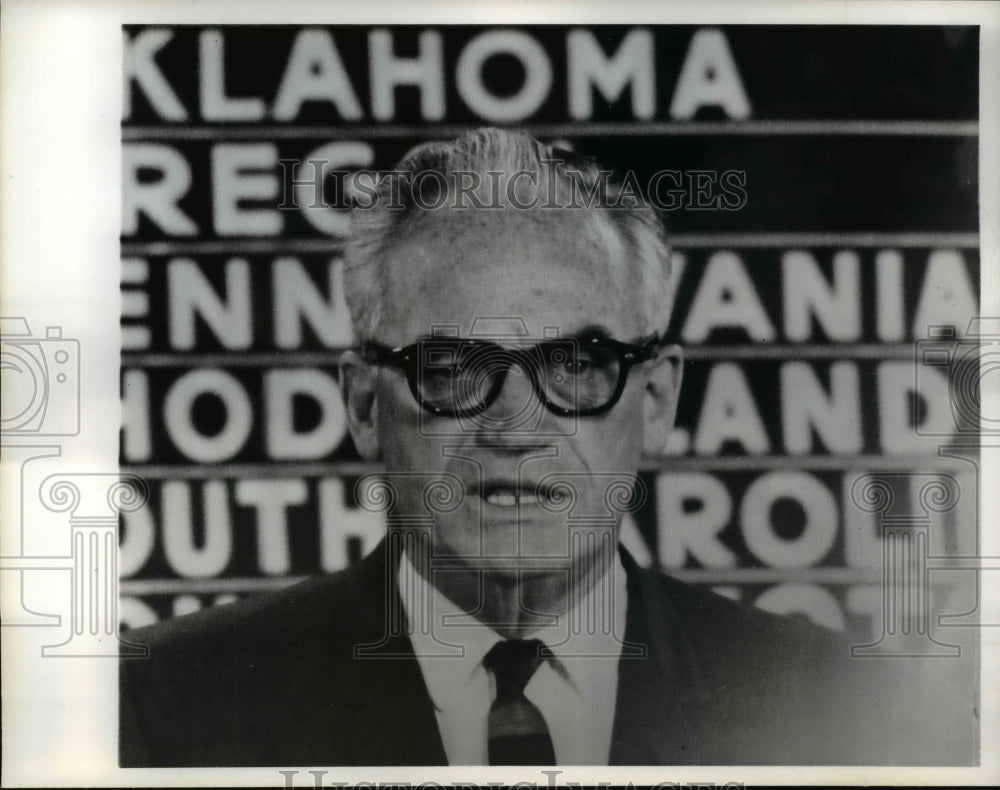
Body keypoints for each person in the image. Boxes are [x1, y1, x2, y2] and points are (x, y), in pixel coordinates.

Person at [120, 128, 972, 767]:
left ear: (656, 398)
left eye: (578, 363)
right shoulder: (159, 708)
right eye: (452, 367)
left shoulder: (866, 719)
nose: (516, 428)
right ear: (363, 404)